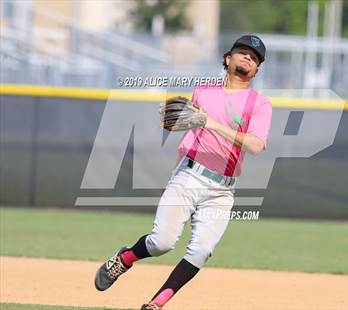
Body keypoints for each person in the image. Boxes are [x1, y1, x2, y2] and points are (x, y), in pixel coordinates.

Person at [94, 35, 272, 310]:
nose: (248, 57)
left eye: (255, 56)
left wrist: (212, 123)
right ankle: (125, 258)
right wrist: (174, 133)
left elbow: (256, 145)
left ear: (257, 70)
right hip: (189, 175)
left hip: (223, 189)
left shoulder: (259, 104)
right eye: (242, 51)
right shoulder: (204, 91)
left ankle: (156, 303)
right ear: (227, 59)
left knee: (201, 251)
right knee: (161, 242)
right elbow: (183, 125)